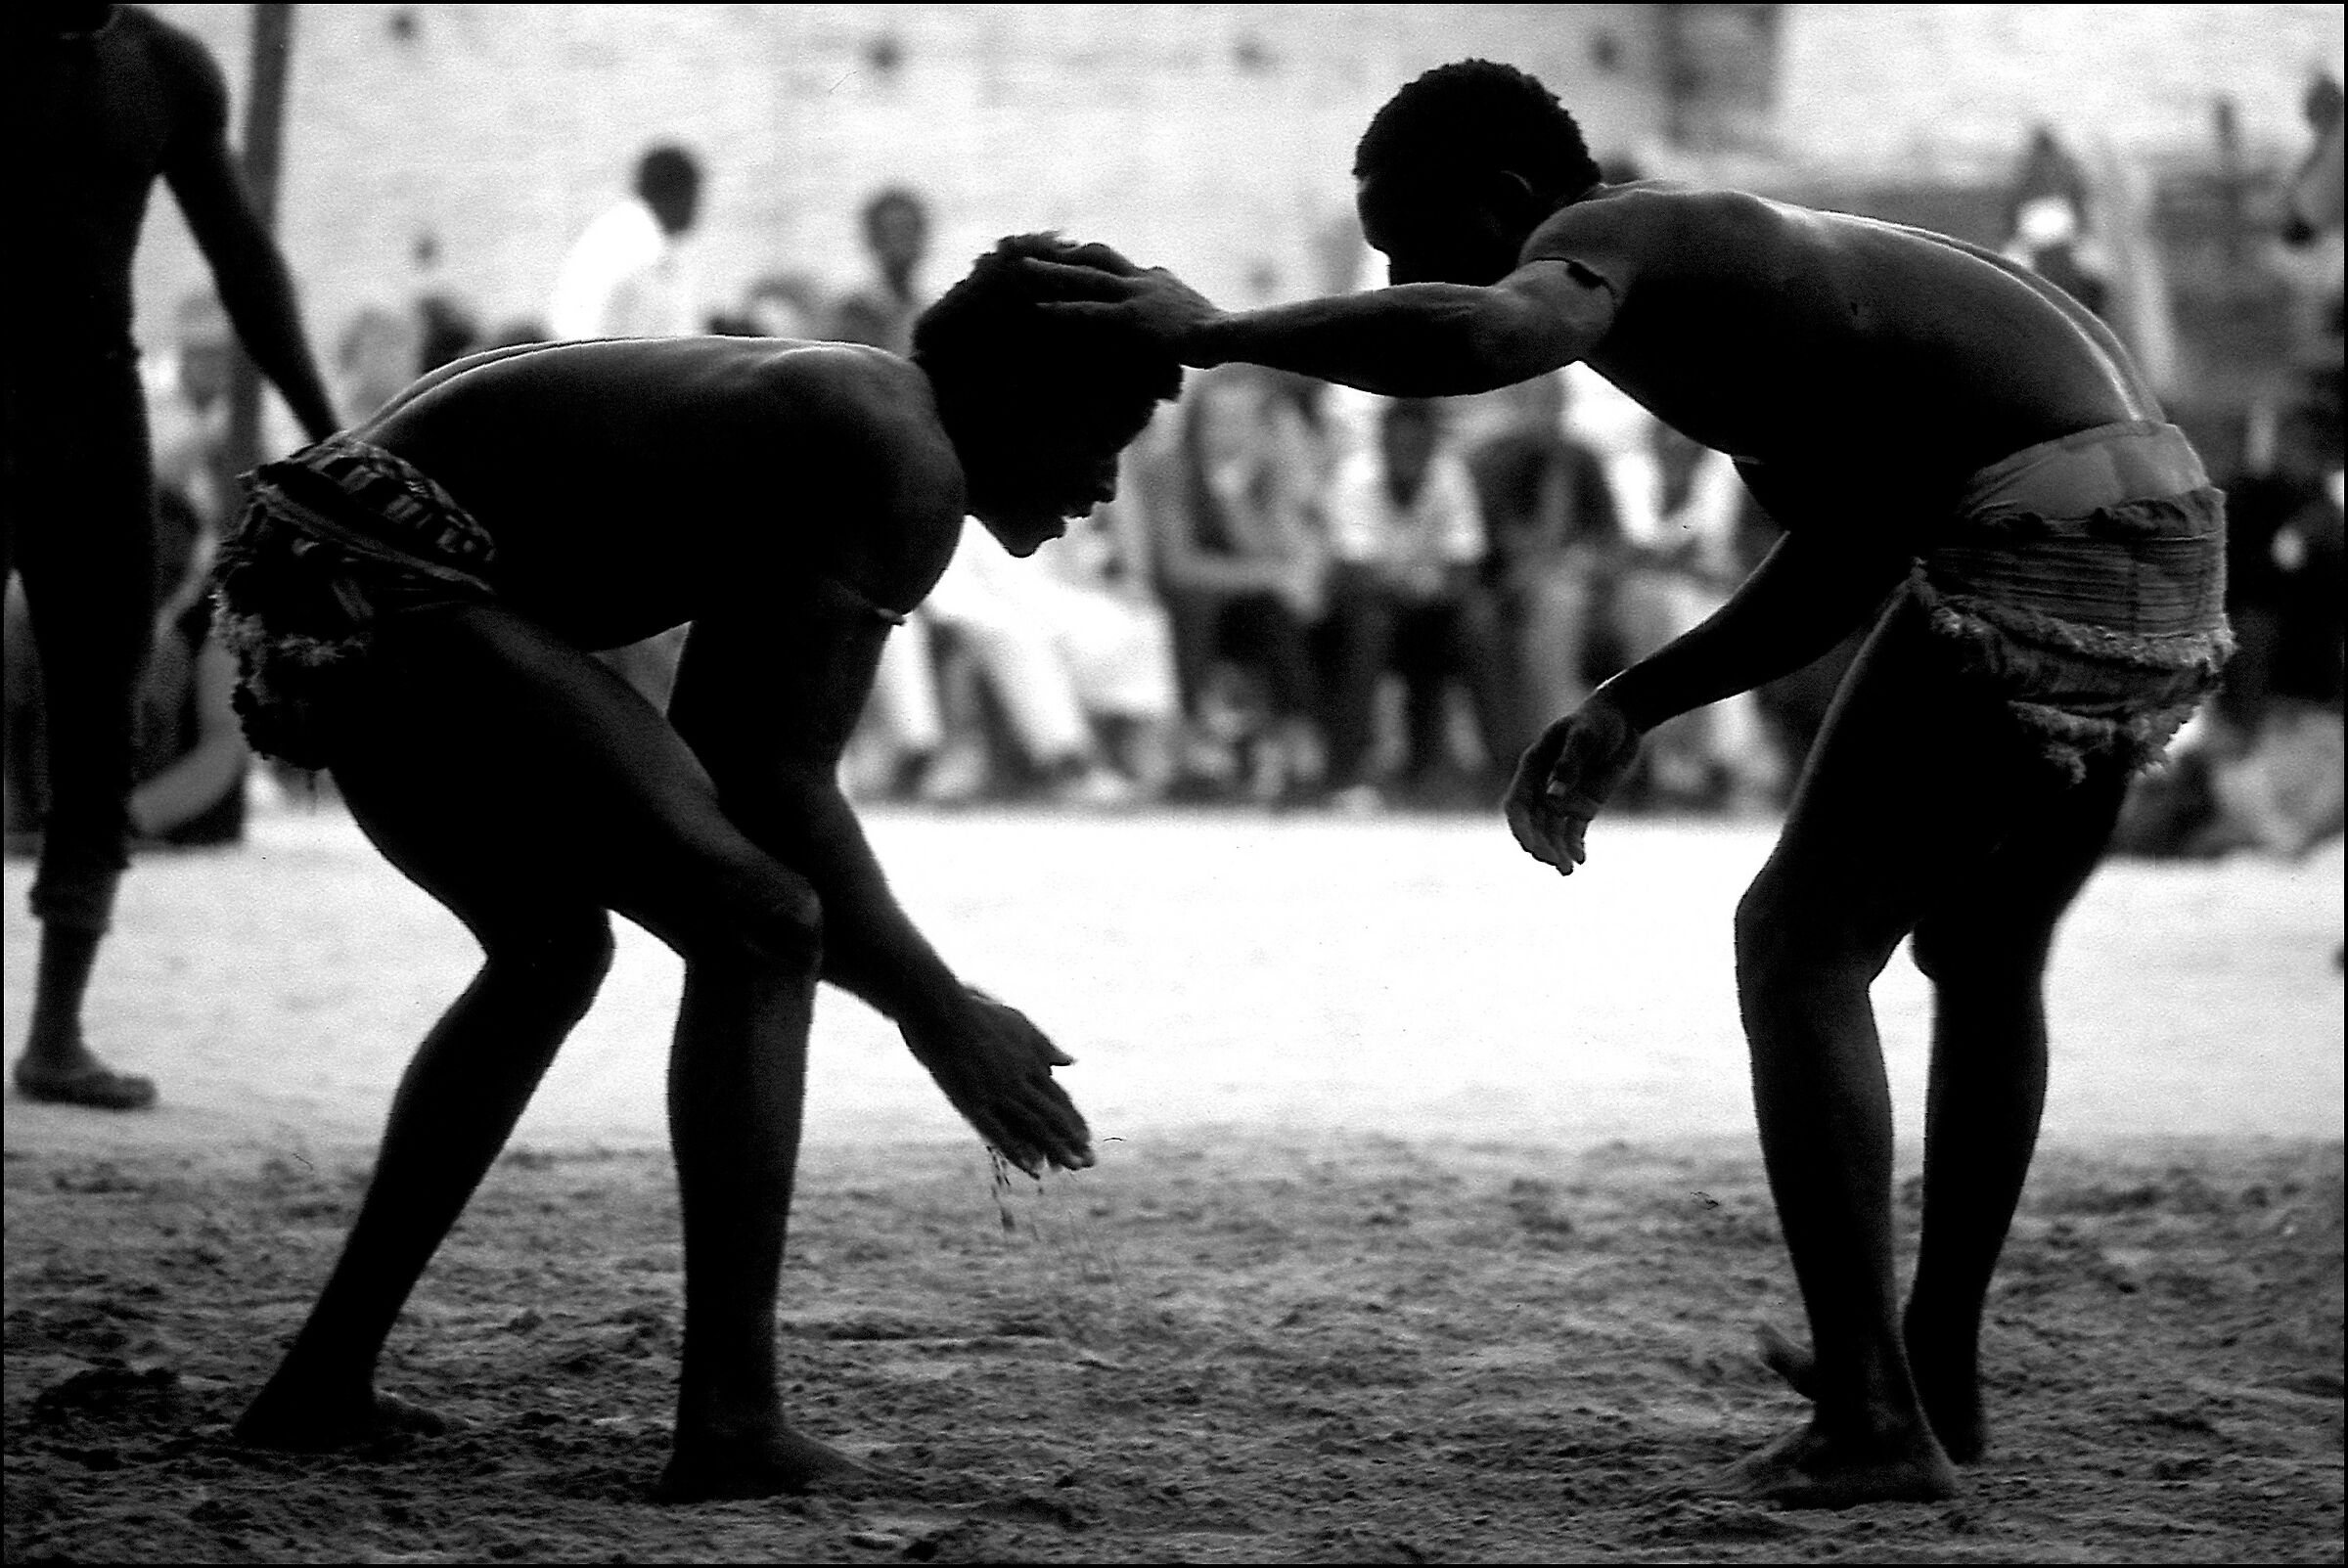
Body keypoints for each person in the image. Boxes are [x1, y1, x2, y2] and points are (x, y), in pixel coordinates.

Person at [1027, 59, 2234, 1508]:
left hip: (2043, 533)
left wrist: (1213, 329)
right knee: (1981, 954)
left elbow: (1487, 334)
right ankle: (1931, 1362)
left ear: (1510, 198)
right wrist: (1638, 698)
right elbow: (1854, 548)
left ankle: (1874, 1413)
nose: (1401, 282)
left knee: (1796, 948)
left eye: (1413, 244)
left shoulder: (1621, 236)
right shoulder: (1752, 285)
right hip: (2162, 532)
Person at [214, 232, 1172, 1501]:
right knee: (759, 924)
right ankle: (728, 1420)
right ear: (1007, 391)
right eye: (1099, 433)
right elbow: (774, 794)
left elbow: (732, 761)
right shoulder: (899, 451)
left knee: (557, 950)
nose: (1105, 483)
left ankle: (322, 1378)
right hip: (385, 577)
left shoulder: (856, 416)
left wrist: (932, 1006)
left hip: (322, 568)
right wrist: (940, 1014)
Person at [6, 2, 339, 1111]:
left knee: (100, 711)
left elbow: (245, 263)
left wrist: (329, 435)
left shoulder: (162, 68)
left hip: (93, 413)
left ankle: (56, 1034)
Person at [1319, 395, 1515, 810]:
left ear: (1432, 446)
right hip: (1368, 615)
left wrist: (1421, 586)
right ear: (1382, 443)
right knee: (1371, 626)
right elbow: (1354, 572)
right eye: (1399, 446)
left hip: (1431, 612)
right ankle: (1346, 772)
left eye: (1418, 447)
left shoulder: (1450, 476)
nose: (1408, 456)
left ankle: (1504, 772)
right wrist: (1418, 583)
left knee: (1479, 621)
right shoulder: (1355, 477)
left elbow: (1466, 565)